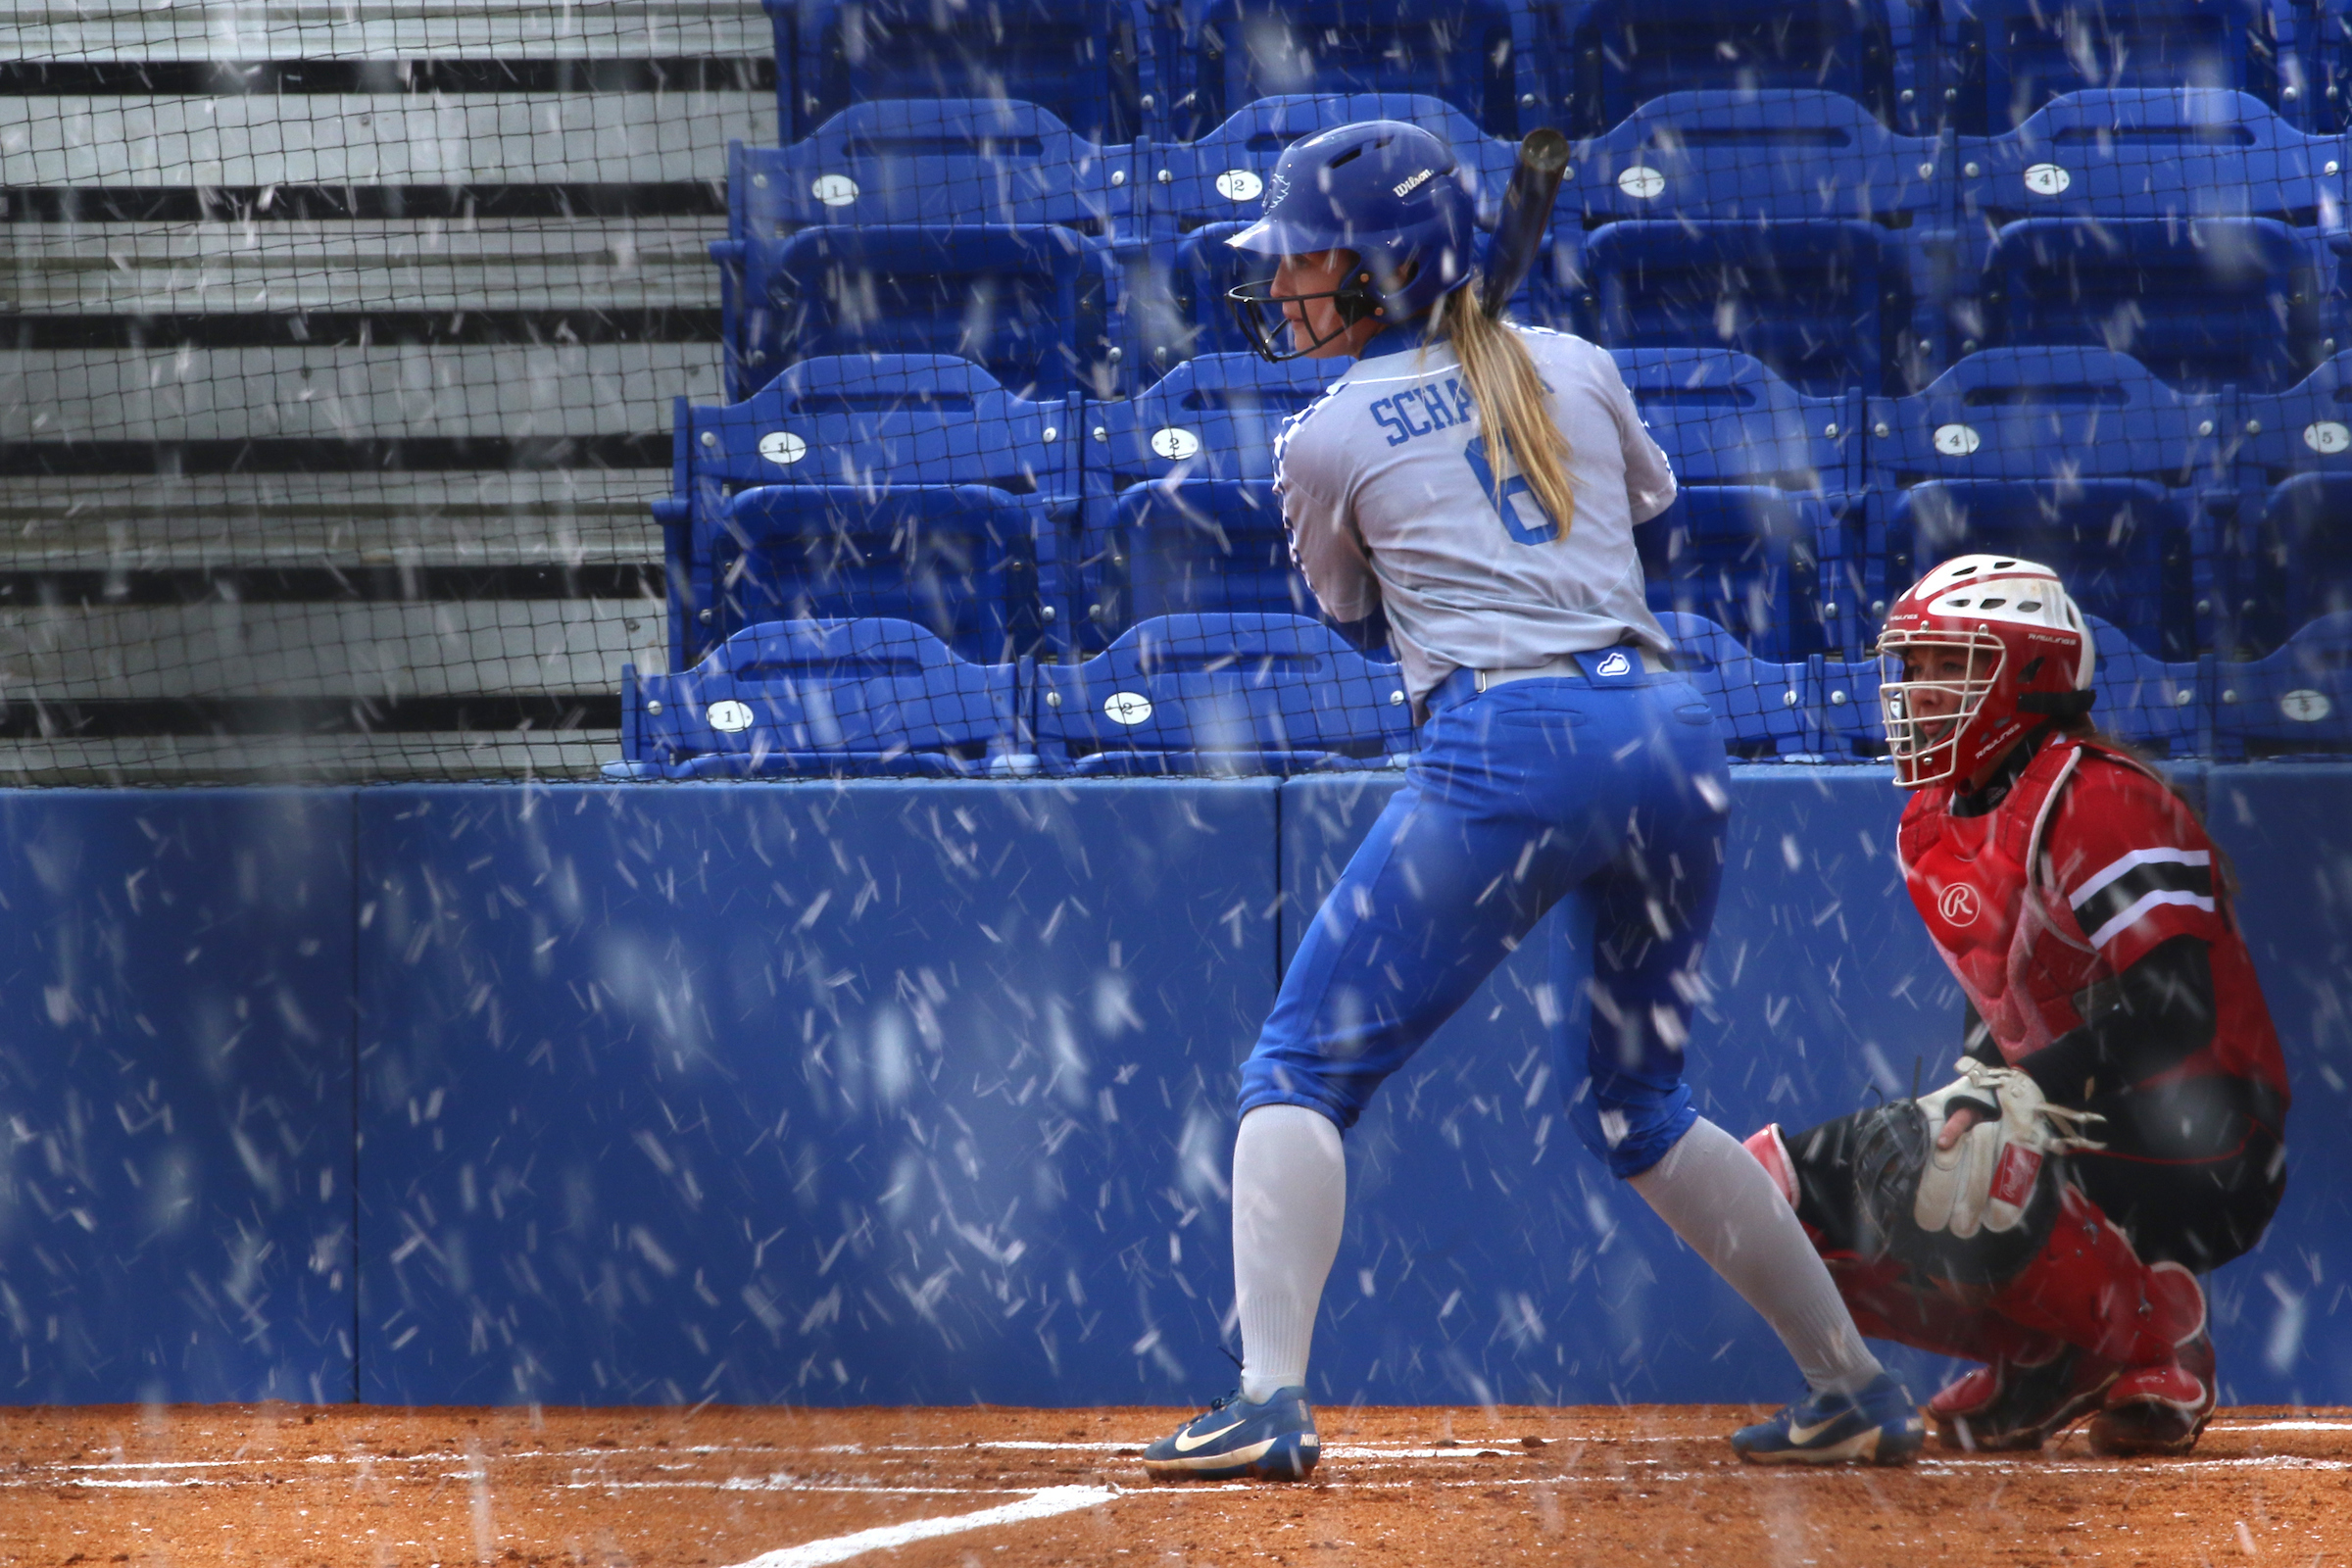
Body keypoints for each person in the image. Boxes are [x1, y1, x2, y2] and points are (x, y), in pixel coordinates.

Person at [1139, 119, 1924, 1483]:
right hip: (1673, 732)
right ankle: (1851, 1385)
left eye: (1311, 261)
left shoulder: (1325, 435)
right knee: (1646, 1106)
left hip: (1507, 738)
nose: (1283, 287)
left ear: (1384, 272)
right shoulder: (1577, 362)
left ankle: (1269, 1399)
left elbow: (1354, 609)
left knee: (1300, 1071)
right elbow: (1636, 507)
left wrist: (1427, 450)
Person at [1740, 554, 2290, 1456]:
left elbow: (2172, 1009)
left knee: (1945, 1158)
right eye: (1911, 667)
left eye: (1947, 665)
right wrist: (1983, 1090)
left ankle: (2154, 1332)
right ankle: (2051, 1351)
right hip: (2078, 1117)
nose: (1916, 690)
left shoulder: (2101, 796)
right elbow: (2004, 997)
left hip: (2208, 1136)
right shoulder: (1930, 819)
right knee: (1769, 1195)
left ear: (2029, 673)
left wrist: (2006, 1101)